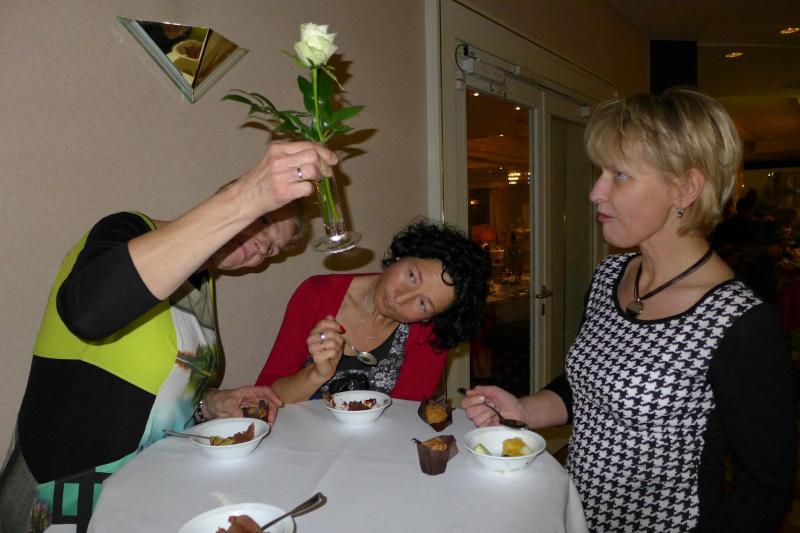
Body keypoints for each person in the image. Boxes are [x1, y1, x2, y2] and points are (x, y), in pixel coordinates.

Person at [461, 89, 795, 531]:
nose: (595, 192)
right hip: (575, 515)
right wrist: (523, 408)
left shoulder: (739, 321)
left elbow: (765, 489)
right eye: (601, 172)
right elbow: (588, 388)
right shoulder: (610, 276)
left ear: (686, 187)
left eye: (619, 174)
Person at [0, 141, 337, 533]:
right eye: (263, 222)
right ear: (228, 196)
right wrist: (246, 199)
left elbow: (159, 392)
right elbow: (88, 313)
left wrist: (212, 402)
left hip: (135, 491)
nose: (263, 247)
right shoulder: (127, 229)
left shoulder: (201, 283)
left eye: (273, 250)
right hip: (59, 489)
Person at [255, 219, 490, 402]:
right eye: (411, 276)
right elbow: (264, 396)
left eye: (423, 304)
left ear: (431, 317)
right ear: (402, 255)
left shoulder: (430, 336)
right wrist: (316, 374)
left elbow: (405, 417)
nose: (401, 298)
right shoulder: (316, 294)